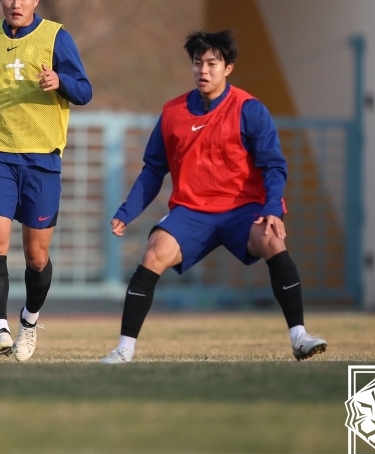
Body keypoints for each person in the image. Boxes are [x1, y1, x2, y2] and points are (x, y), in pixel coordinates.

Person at [101, 30, 327, 363]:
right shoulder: (173, 112)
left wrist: (271, 209)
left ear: (228, 68)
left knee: (272, 240)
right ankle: (124, 349)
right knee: (153, 254)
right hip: (191, 212)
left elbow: (274, 166)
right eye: (197, 63)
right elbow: (152, 170)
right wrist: (127, 211)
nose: (203, 71)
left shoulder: (249, 109)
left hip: (242, 209)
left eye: (212, 63)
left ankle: (299, 337)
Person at [0, 0, 92, 361]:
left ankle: (29, 321)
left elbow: (84, 91)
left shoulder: (56, 37)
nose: (15, 3)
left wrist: (60, 82)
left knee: (36, 257)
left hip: (42, 159)